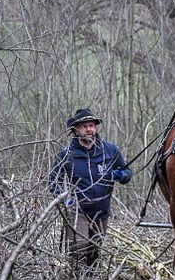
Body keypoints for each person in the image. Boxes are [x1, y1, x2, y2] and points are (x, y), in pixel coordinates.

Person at [49, 108, 132, 267]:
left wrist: (121, 175)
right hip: (77, 212)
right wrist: (66, 200)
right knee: (78, 250)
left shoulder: (110, 150)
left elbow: (127, 172)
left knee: (94, 251)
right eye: (84, 126)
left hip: (102, 212)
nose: (89, 129)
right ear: (76, 129)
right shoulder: (66, 155)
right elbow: (53, 182)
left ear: (96, 127)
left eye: (91, 125)